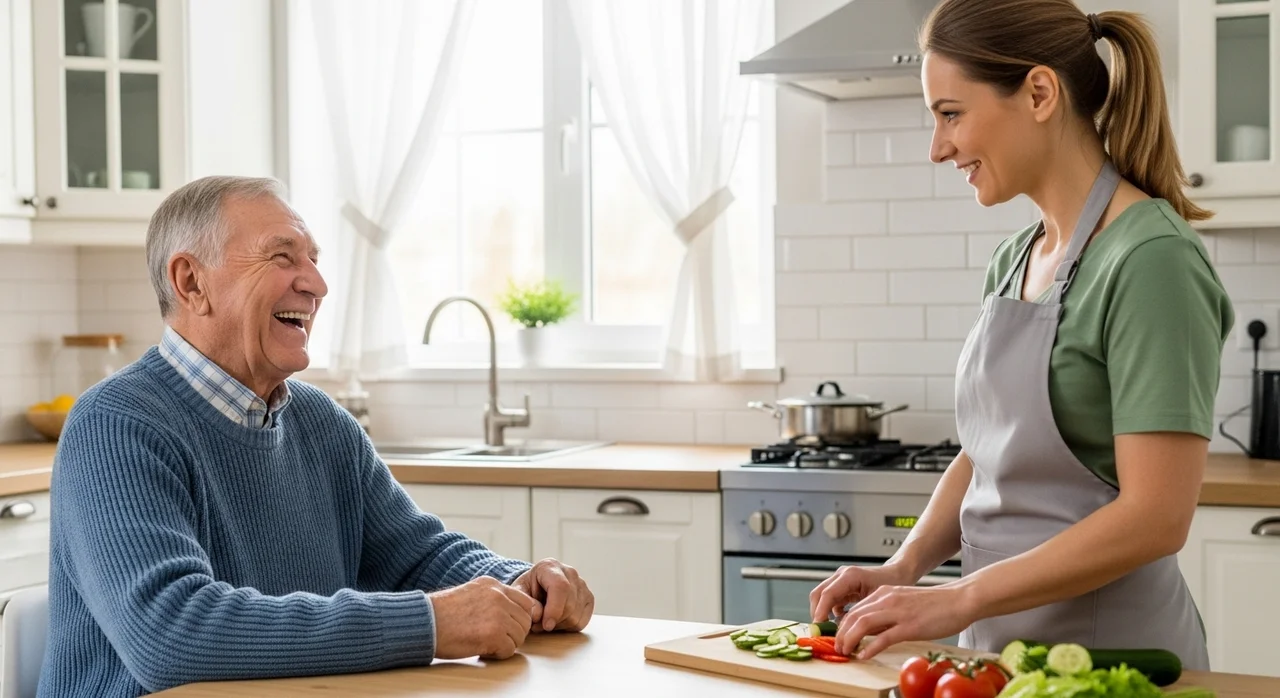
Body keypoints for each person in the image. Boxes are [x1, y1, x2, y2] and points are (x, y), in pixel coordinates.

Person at [39, 176, 595, 697]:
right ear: (192, 282)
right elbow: (171, 632)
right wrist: (429, 623)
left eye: (314, 260)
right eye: (283, 257)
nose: (317, 285)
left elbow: (415, 556)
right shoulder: (117, 424)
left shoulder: (320, 421)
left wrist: (521, 584)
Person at [809, 0, 1232, 670]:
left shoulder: (1152, 260)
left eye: (952, 114)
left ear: (1039, 93)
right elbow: (987, 453)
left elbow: (1157, 516)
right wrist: (905, 566)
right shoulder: (1016, 258)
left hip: (1112, 667)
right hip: (996, 660)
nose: (938, 147)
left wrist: (959, 598)